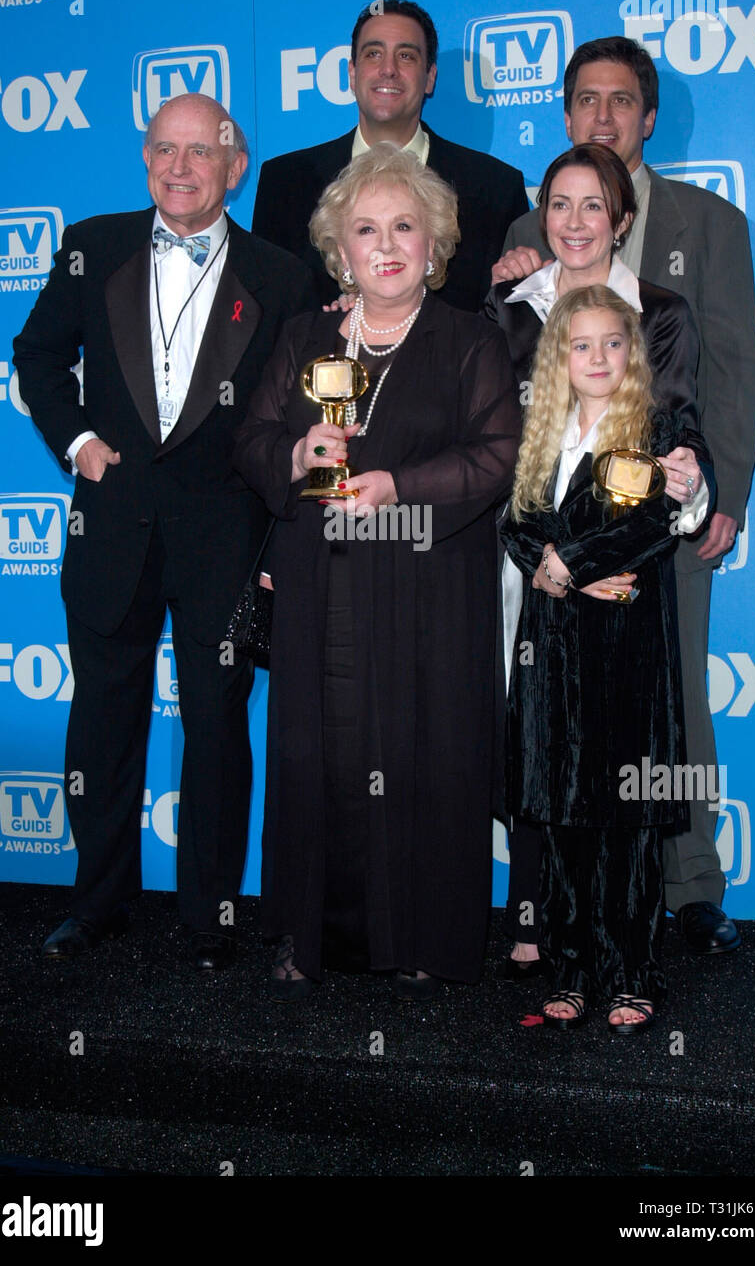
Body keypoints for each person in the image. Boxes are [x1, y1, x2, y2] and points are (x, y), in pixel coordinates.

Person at [13, 93, 315, 970]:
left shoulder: (283, 275)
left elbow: (293, 412)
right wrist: (76, 441)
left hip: (226, 534)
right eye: (162, 150)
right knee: (104, 721)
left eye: (199, 152)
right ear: (145, 160)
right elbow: (36, 355)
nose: (179, 168)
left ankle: (210, 914)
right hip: (111, 527)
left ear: (235, 165)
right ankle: (95, 903)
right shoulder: (92, 246)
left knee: (218, 727)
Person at [234, 143, 521, 1000]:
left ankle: (427, 944)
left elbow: (498, 457)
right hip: (322, 589)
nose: (387, 244)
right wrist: (295, 452)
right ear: (340, 249)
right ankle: (306, 939)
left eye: (406, 227)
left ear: (435, 245)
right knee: (317, 752)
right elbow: (247, 441)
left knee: (430, 753)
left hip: (431, 589)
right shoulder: (302, 337)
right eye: (367, 229)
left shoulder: (470, 340)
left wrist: (402, 485)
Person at [494, 36, 755, 955]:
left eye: (620, 101)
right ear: (566, 116)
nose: (602, 115)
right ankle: (564, 910)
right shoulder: (527, 244)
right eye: (585, 101)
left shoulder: (708, 224)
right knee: (550, 698)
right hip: (551, 531)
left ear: (648, 119)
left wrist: (721, 489)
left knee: (673, 693)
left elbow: (730, 374)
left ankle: (689, 883)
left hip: (663, 517)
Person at [486, 141, 712, 981]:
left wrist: (686, 489)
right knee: (540, 738)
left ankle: (627, 960)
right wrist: (538, 557)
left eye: (593, 206)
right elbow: (502, 451)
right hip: (531, 571)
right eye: (558, 206)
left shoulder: (660, 313)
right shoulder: (510, 305)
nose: (574, 223)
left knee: (620, 766)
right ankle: (538, 917)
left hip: (617, 579)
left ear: (622, 219)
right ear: (541, 217)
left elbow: (677, 443)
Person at [252, 0, 529, 312]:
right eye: (373, 54)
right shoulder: (284, 183)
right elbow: (269, 314)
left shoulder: (496, 187)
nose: (388, 70)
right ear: (352, 73)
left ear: (430, 77)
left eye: (407, 56)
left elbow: (508, 322)